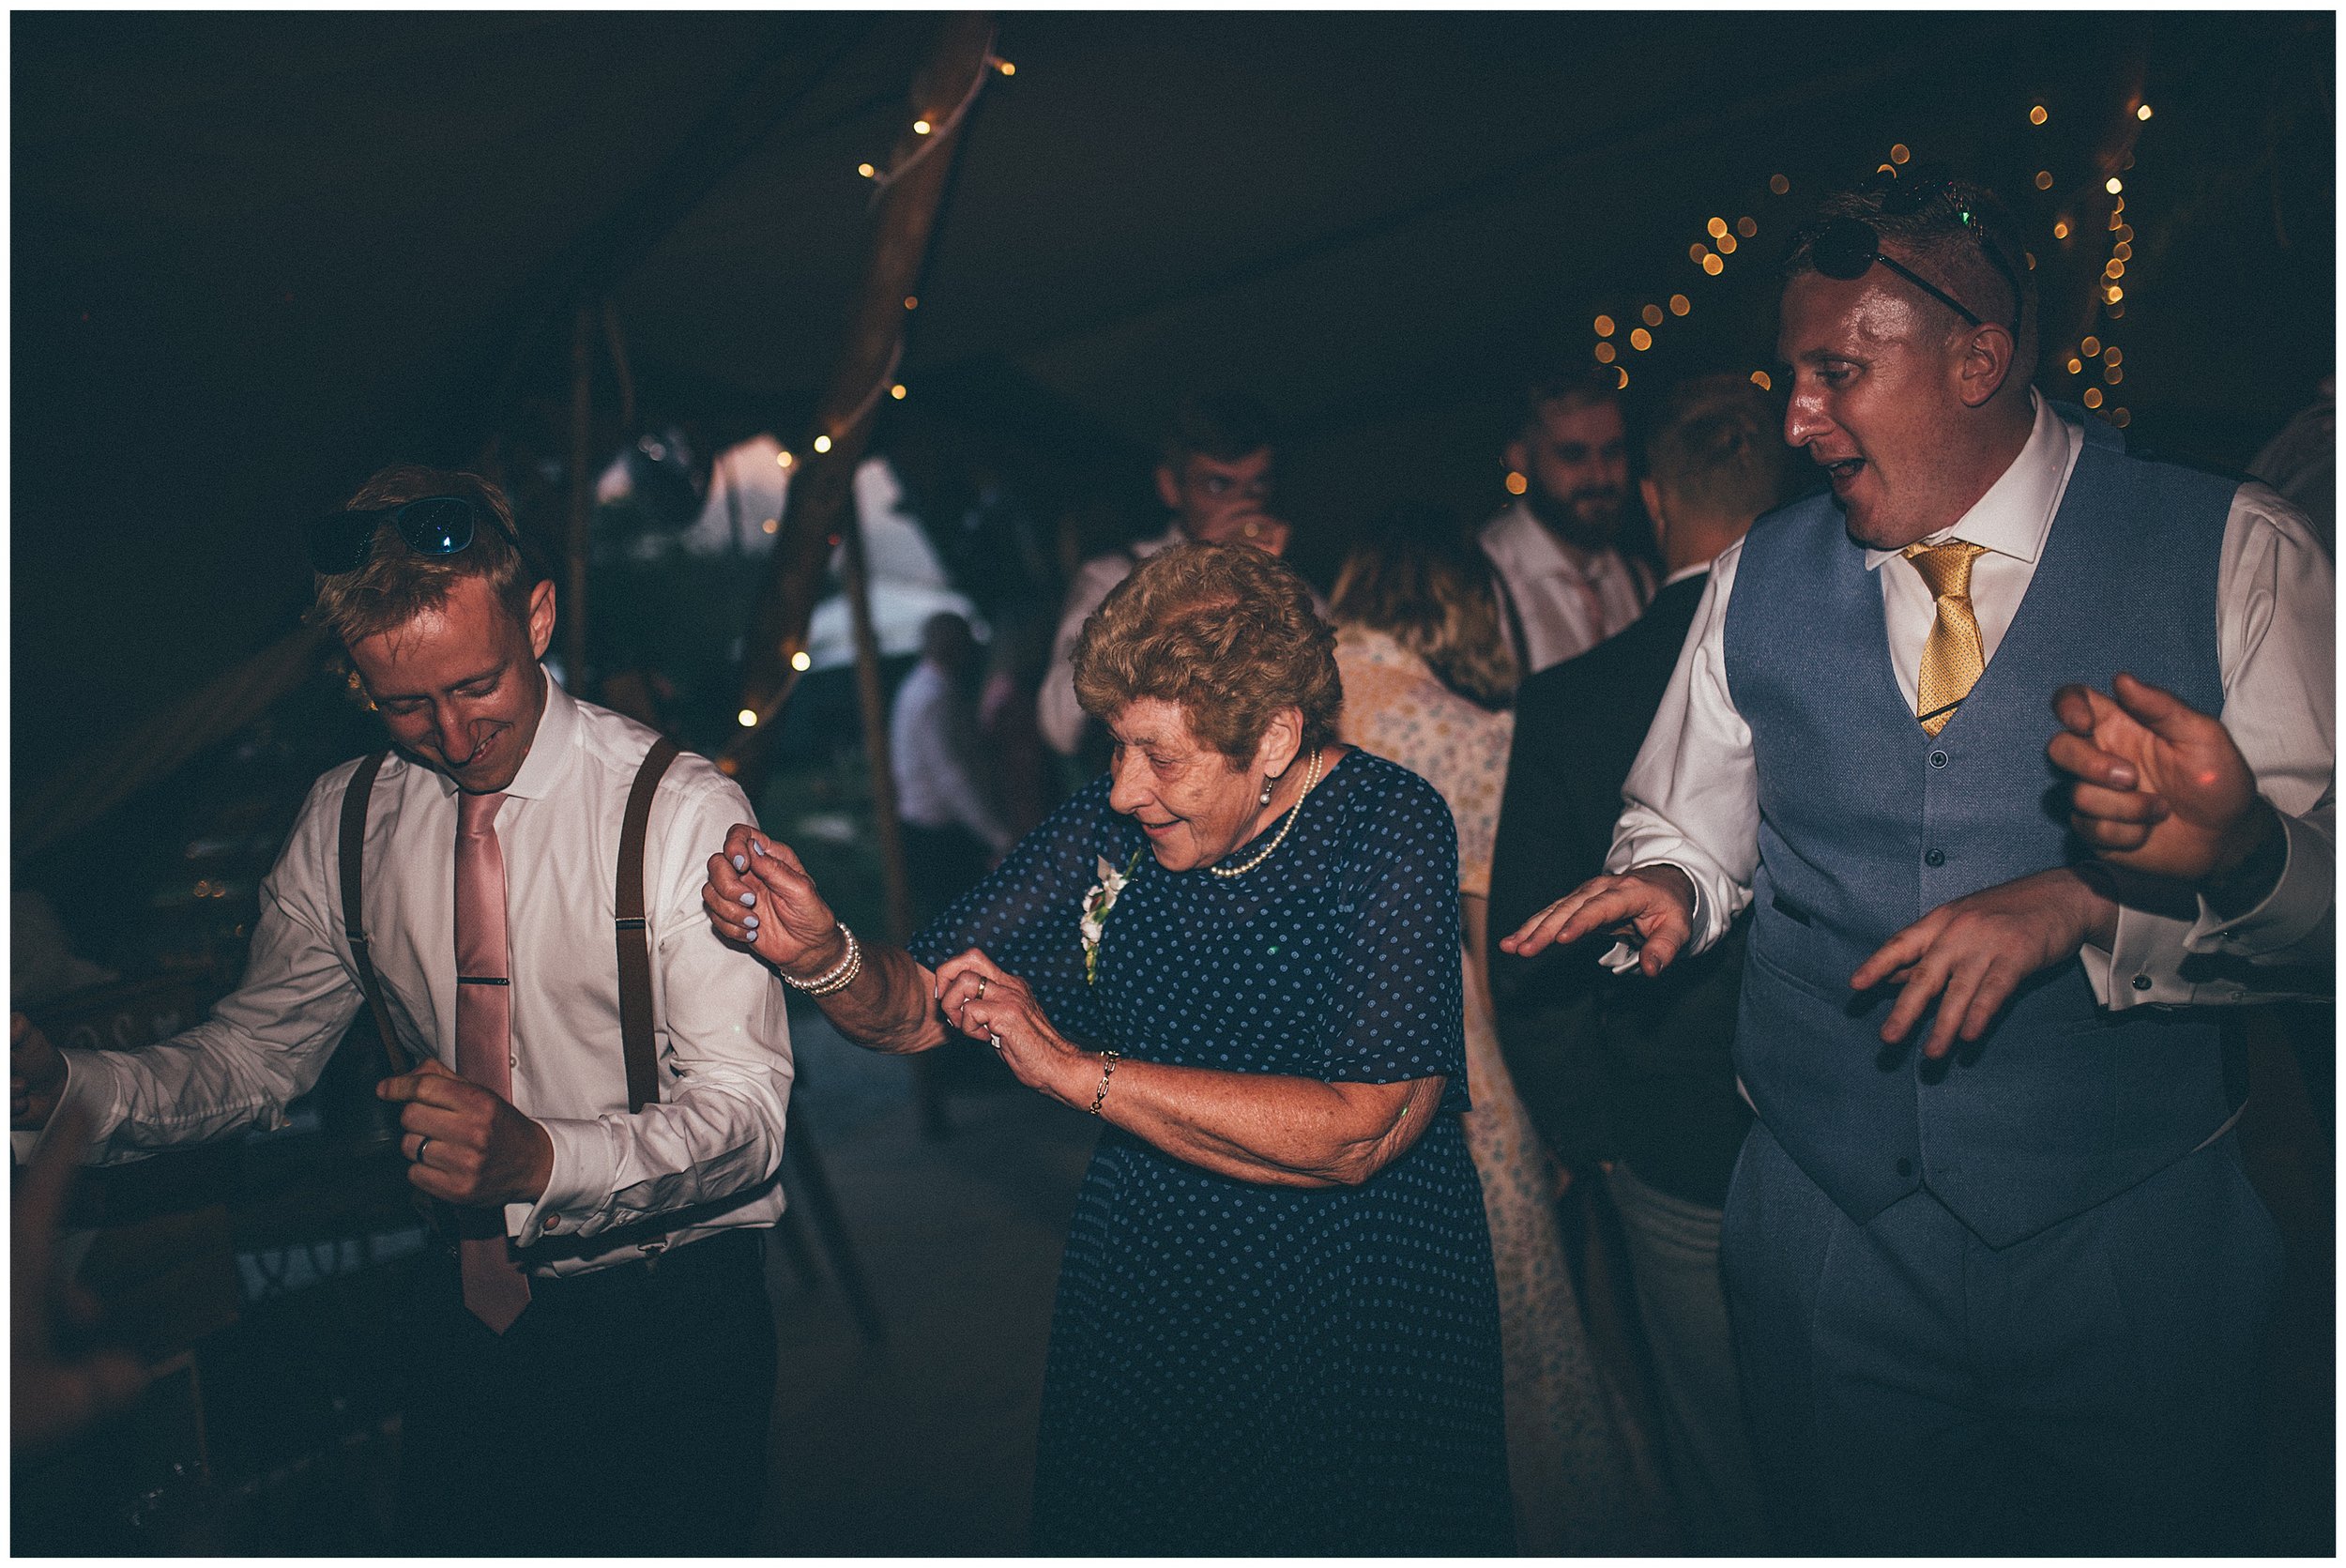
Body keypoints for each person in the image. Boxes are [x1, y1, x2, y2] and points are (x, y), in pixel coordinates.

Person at [1501, 172, 2333, 1554]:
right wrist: (1669, 881)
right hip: (1828, 1238)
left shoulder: (2238, 552)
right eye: (1791, 376)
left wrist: (2174, 870)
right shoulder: (1756, 579)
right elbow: (1686, 813)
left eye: (1837, 371)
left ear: (1978, 357)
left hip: (2132, 1239)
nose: (1795, 418)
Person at [11, 467, 795, 1556]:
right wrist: (74, 1088)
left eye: (477, 685)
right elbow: (253, 1060)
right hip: (460, 1317)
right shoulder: (345, 824)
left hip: (663, 1327)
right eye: (404, 703)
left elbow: (749, 1117)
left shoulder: (676, 810)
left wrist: (542, 1161)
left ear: (538, 614)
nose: (453, 734)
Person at [708, 542, 1512, 1555]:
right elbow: (920, 1003)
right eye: (1115, 749)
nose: (1126, 789)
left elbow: (1363, 1131)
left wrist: (1073, 1071)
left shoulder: (1388, 826)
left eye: (1160, 757)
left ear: (1272, 737)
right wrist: (826, 958)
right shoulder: (1111, 828)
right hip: (1154, 1280)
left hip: (1350, 1297)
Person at [1329, 508, 1662, 1554]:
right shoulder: (1474, 744)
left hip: (1300, 1070)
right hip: (1447, 1076)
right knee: (1520, 1340)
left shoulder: (1280, 708)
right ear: (1467, 611)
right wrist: (1557, 1122)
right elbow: (1508, 956)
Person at [1490, 373, 1784, 1553]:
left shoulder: (1565, 703)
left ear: (1658, 501)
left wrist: (1589, 1133)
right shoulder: (1871, 654)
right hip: (1858, 1134)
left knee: (1721, 1458)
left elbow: (1532, 960)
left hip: (1669, 1141)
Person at [1037, 394, 1293, 757]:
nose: (1244, 503)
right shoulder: (1113, 576)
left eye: (1257, 486)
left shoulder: (1292, 586)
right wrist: (1199, 574)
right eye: (1218, 486)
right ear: (1171, 487)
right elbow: (1060, 724)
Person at [1480, 364, 1656, 676]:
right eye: (1574, 455)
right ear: (1520, 459)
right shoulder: (1483, 585)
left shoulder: (1637, 578)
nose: (1600, 475)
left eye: (1613, 452)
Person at [891, 610, 1016, 923]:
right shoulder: (934, 696)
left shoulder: (919, 686)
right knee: (964, 925)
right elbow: (952, 778)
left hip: (928, 826)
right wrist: (998, 835)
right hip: (939, 835)